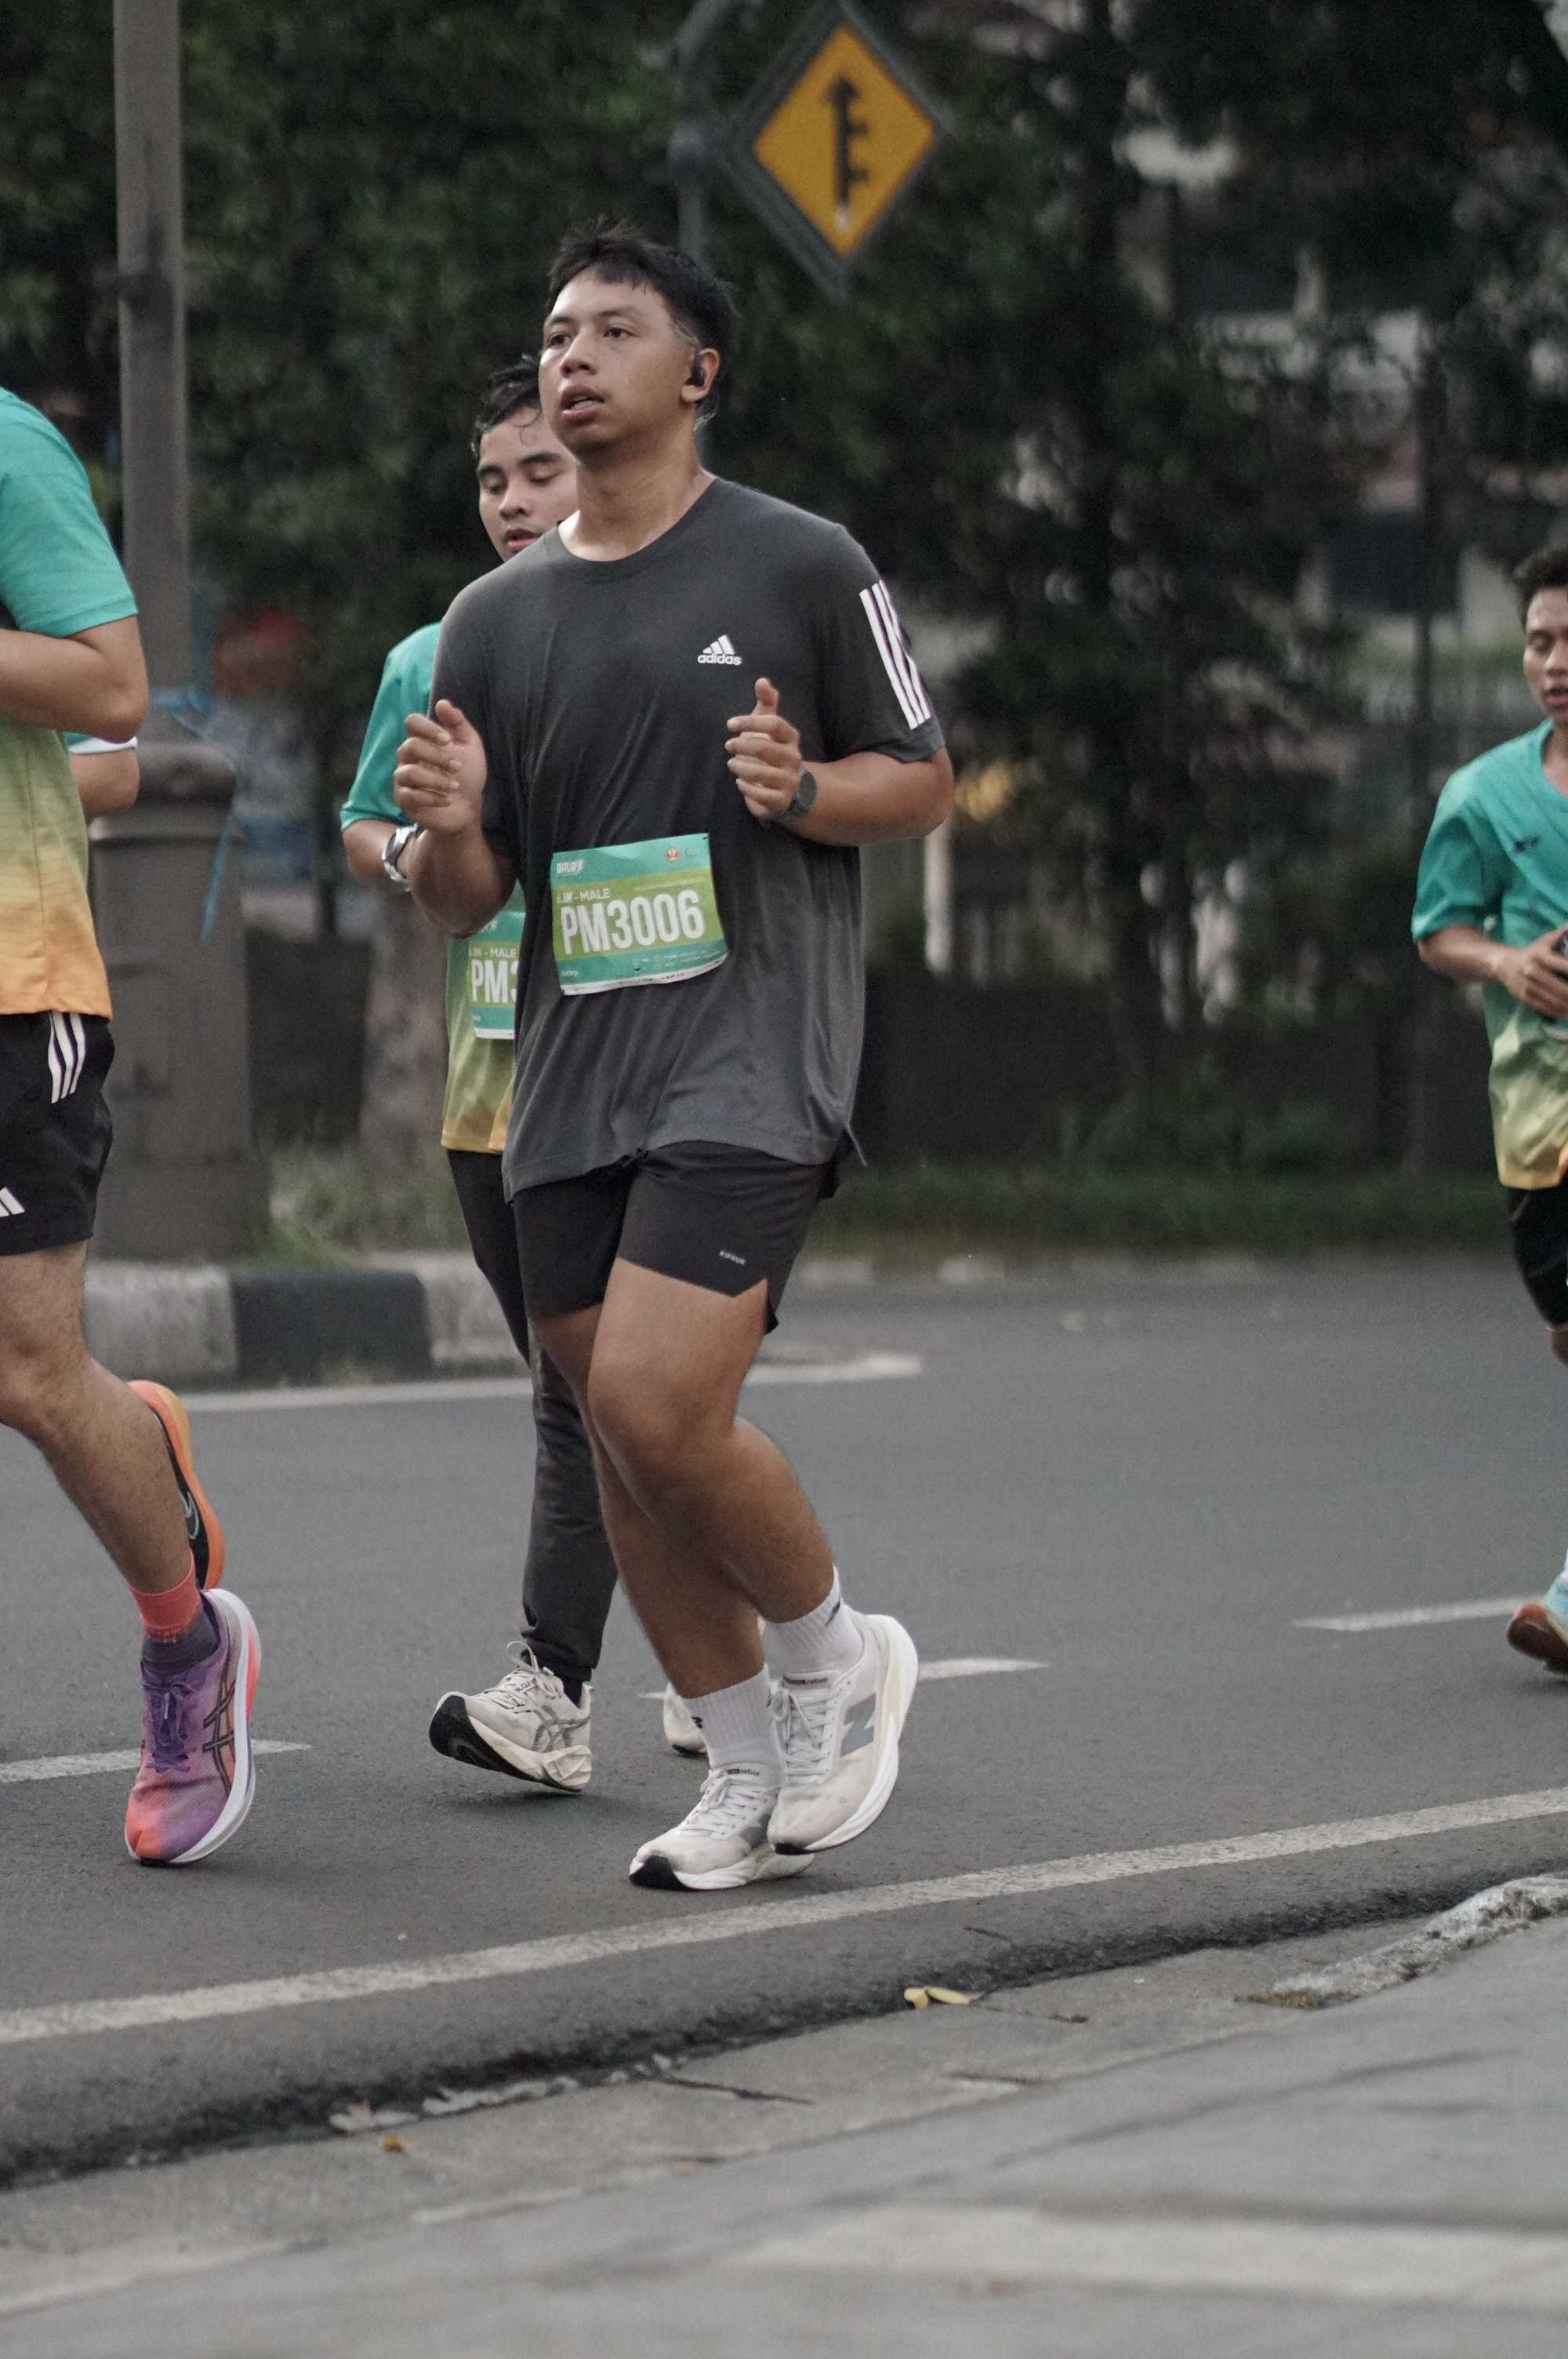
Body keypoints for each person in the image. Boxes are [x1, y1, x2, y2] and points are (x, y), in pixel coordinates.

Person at [394, 223, 953, 1892]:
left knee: (654, 1396)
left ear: (697, 372)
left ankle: (834, 1652)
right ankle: (738, 1764)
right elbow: (470, 895)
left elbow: (922, 778)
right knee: (618, 1431)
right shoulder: (490, 619)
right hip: (572, 1071)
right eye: (557, 331)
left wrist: (806, 788)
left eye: (612, 330)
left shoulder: (801, 563)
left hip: (752, 1053)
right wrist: (446, 832)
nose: (571, 355)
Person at [342, 358, 703, 1788]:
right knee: (597, 1395)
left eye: (537, 471)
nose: (511, 500)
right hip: (491, 1098)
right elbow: (367, 825)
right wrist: (427, 846)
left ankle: (560, 1690)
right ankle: (727, 1648)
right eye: (492, 479)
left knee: (595, 1397)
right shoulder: (435, 658)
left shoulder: (659, 638)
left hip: (640, 1082)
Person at [0, 386, 256, 1864]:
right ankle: (141, 1442)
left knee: (27, 1367)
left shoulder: (7, 446)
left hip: (9, 978)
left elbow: (109, 690)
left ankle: (189, 1647)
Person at [1414, 536, 1568, 1674]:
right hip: (1538, 1124)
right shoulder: (1483, 795)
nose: (1555, 663)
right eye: (1540, 641)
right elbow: (1440, 931)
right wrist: (1508, 964)